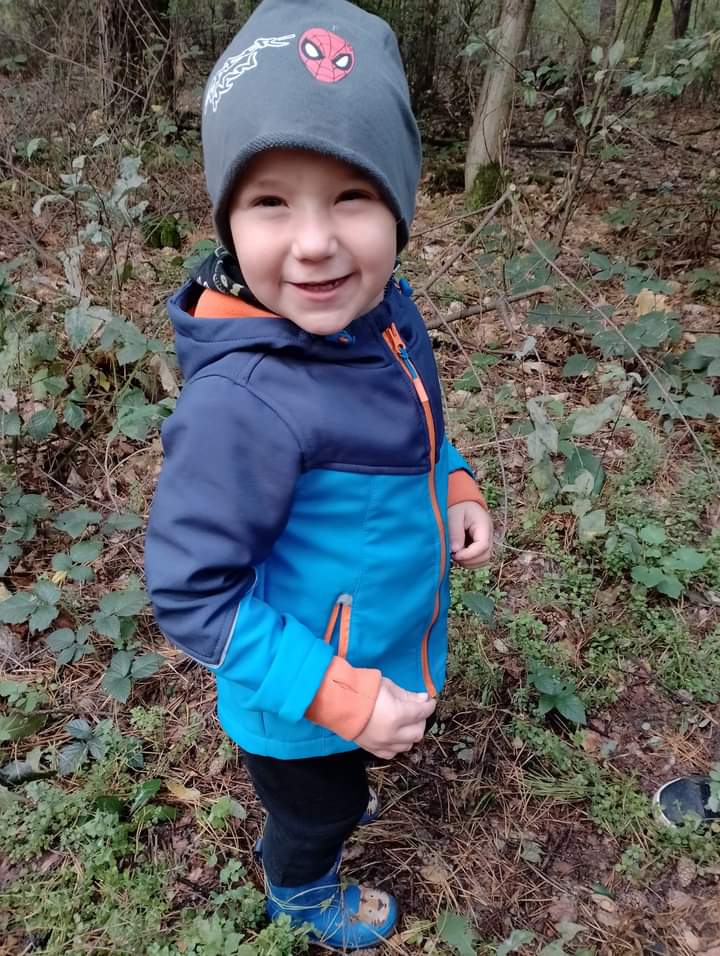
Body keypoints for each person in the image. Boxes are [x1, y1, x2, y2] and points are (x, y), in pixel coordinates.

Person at [144, 0, 494, 948]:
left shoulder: (382, 314)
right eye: (271, 202)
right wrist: (344, 699)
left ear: (399, 209)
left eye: (350, 196)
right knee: (318, 807)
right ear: (228, 218)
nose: (313, 242)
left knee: (340, 783)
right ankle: (300, 889)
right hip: (300, 698)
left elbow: (417, 427)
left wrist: (455, 480)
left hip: (374, 653)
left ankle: (336, 789)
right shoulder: (242, 403)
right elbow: (192, 593)